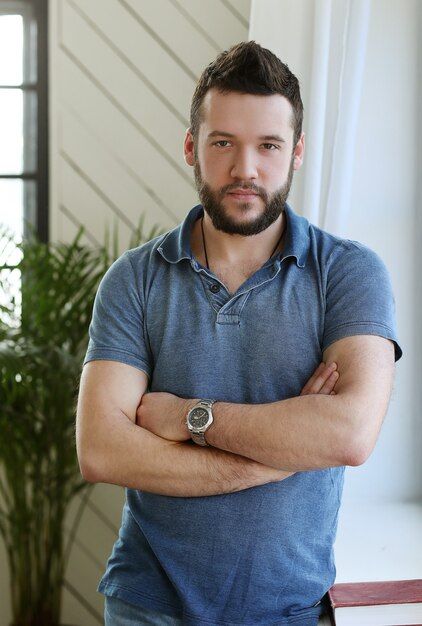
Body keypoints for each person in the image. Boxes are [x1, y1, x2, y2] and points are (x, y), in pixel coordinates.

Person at [76, 41, 403, 626]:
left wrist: (189, 418)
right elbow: (102, 449)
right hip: (146, 607)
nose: (245, 168)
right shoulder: (133, 280)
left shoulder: (349, 273)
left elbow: (350, 434)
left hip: (290, 612)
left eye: (268, 146)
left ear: (297, 152)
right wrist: (282, 457)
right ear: (190, 148)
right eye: (222, 142)